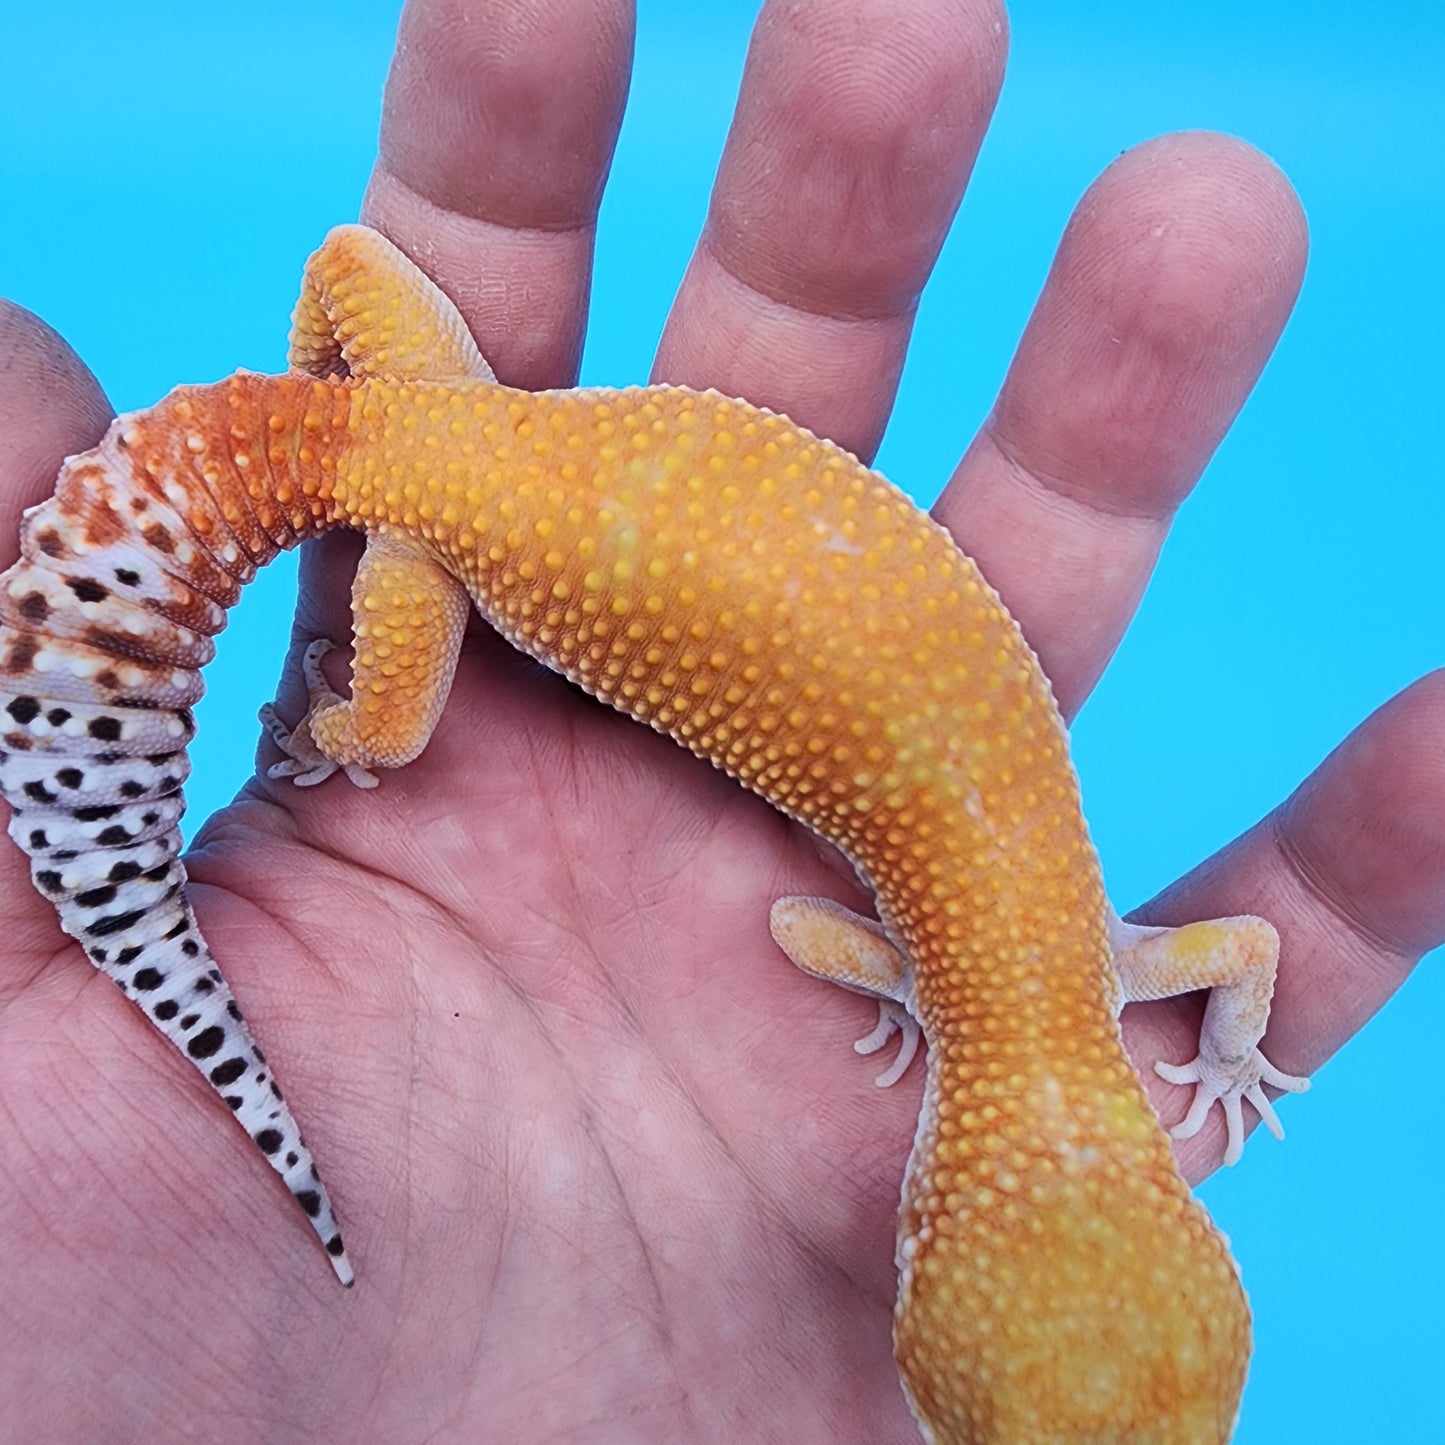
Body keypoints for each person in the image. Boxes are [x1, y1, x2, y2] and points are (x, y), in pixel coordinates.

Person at [0, 1, 1440, 1440]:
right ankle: (361, 721)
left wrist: (316, 434)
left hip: (436, 408)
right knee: (383, 729)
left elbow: (1230, 958)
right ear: (919, 1223)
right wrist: (350, 719)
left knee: (349, 290)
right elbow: (813, 937)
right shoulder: (979, 987)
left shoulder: (1134, 970)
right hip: (427, 521)